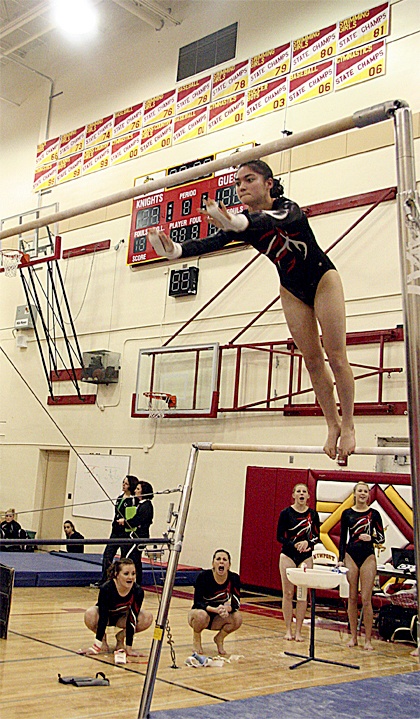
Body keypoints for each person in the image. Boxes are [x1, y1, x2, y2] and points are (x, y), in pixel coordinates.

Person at [148, 160, 355, 463]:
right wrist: (175, 251)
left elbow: (275, 220)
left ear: (269, 183)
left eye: (249, 179)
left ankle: (348, 425)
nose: (241, 186)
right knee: (311, 361)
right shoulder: (243, 222)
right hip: (291, 289)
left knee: (335, 356)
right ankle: (331, 425)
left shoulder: (288, 207)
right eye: (237, 183)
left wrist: (237, 223)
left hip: (323, 280)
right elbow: (212, 242)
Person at [338, 481, 385, 650]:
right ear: (355, 494)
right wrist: (340, 558)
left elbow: (381, 538)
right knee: (351, 597)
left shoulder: (374, 514)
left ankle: (368, 639)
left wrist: (371, 538)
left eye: (366, 491)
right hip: (351, 554)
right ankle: (353, 636)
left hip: (368, 556)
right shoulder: (347, 514)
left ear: (368, 495)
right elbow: (343, 538)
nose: (363, 494)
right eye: (360, 491)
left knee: (366, 599)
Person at [82, 558, 153, 656]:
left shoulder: (137, 591)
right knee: (90, 614)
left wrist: (129, 648)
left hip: (122, 618)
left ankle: (120, 638)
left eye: (133, 574)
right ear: (117, 574)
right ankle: (103, 640)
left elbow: (132, 619)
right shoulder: (107, 588)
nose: (130, 577)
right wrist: (96, 647)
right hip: (105, 617)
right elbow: (103, 617)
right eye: (126, 574)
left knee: (147, 617)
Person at [277, 484, 320, 641]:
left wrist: (308, 544)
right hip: (288, 555)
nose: (301, 494)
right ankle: (288, 629)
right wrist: (293, 544)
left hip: (305, 556)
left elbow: (317, 536)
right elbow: (280, 536)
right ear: (293, 495)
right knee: (288, 593)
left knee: (302, 595)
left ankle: (298, 631)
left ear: (308, 496)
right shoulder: (285, 513)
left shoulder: (313, 515)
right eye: (298, 491)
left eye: (304, 492)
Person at [188, 549, 242, 656]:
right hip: (200, 614)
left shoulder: (234, 578)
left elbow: (236, 602)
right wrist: (215, 610)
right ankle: (197, 639)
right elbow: (198, 602)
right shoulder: (204, 576)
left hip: (218, 616)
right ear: (213, 563)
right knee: (201, 615)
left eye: (224, 560)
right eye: (218, 559)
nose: (221, 562)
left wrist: (227, 609)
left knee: (237, 618)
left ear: (229, 565)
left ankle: (219, 638)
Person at [97, 475, 139, 586]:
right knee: (107, 555)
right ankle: (105, 579)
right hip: (115, 531)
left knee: (124, 558)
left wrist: (125, 521)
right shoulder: (120, 497)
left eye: (126, 484)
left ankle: (120, 581)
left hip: (125, 532)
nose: (123, 485)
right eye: (123, 483)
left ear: (131, 486)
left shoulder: (133, 500)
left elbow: (132, 517)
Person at [117, 479, 154, 585]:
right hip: (135, 536)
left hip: (140, 537)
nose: (135, 490)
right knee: (132, 558)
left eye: (138, 489)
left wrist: (125, 521)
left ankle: (136, 582)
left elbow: (138, 520)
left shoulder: (146, 505)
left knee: (133, 559)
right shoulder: (141, 504)